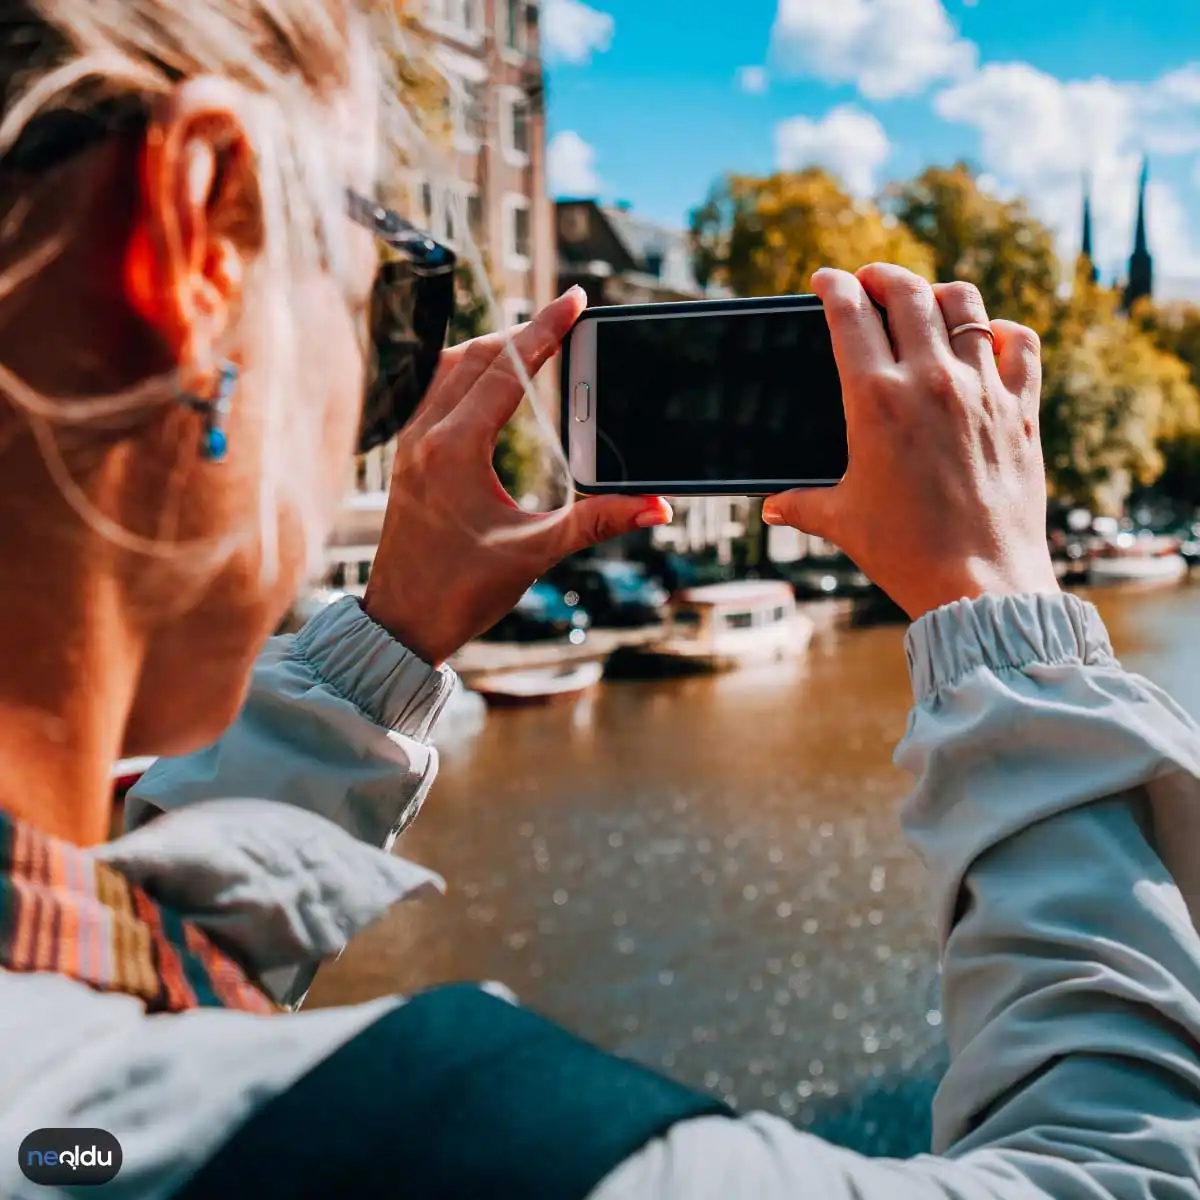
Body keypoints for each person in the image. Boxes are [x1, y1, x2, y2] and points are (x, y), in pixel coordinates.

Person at [0, 3, 1198, 1198]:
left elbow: (95, 966)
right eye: (391, 290)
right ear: (199, 239)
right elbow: (1123, 1176)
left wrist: (385, 640)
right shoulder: (435, 1148)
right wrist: (1005, 614)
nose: (386, 390)